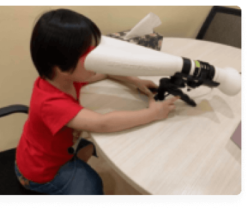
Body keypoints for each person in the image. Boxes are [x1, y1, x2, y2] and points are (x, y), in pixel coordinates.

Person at [14, 8, 180, 196]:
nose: (96, 60)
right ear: (63, 67)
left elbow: (106, 71)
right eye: (90, 57)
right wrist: (153, 113)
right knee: (91, 184)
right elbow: (103, 123)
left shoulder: (63, 78)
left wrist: (135, 80)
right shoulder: (51, 103)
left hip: (40, 152)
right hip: (40, 173)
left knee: (90, 147)